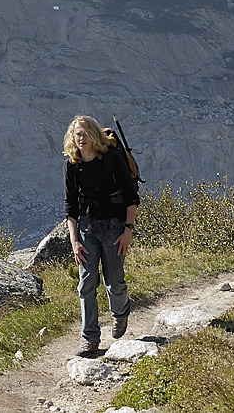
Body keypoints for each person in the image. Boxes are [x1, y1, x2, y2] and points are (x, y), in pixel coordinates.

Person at [64, 115, 140, 357]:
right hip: (87, 227)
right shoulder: (72, 165)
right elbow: (71, 207)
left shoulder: (112, 160)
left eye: (85, 133)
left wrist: (128, 230)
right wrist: (74, 241)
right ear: (72, 138)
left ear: (95, 135)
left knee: (114, 280)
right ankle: (90, 339)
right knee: (86, 283)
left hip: (114, 226)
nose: (81, 138)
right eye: (77, 134)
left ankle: (120, 314)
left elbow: (131, 196)